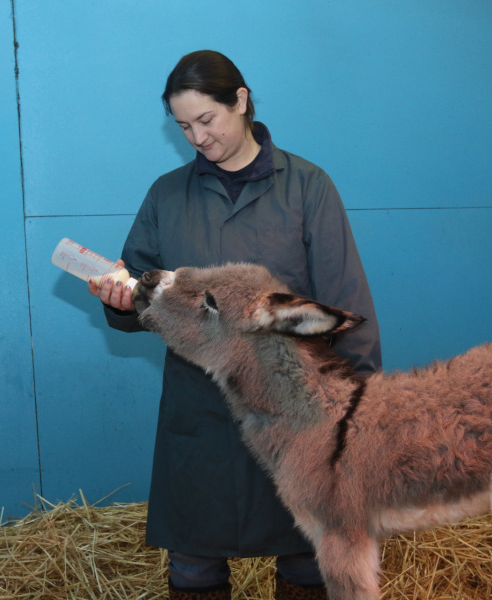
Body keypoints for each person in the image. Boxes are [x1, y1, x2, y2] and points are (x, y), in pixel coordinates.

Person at [89, 50, 382, 600]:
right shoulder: (166, 195)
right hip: (200, 413)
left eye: (207, 120)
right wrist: (122, 301)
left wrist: (358, 419)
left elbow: (347, 304)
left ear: (240, 101)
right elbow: (143, 294)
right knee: (195, 568)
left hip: (296, 414)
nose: (197, 138)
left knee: (308, 561)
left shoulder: (307, 188)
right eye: (183, 127)